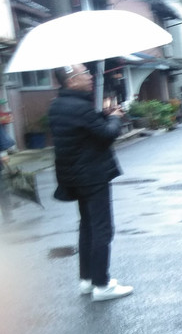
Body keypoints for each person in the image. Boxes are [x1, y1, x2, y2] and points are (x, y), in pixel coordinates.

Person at [49, 63, 132, 301]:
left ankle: (87, 280)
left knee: (87, 227)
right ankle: (102, 285)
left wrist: (102, 117)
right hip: (93, 175)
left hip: (74, 176)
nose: (89, 76)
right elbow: (106, 135)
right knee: (102, 228)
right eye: (84, 73)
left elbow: (84, 131)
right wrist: (115, 118)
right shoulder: (80, 107)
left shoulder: (58, 106)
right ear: (72, 80)